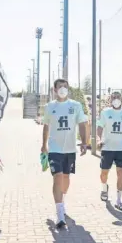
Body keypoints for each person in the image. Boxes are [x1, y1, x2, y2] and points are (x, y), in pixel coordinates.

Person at [41, 79, 88, 229]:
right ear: (54, 90)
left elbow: (82, 123)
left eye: (65, 86)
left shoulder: (75, 105)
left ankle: (62, 200)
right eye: (60, 86)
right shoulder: (49, 107)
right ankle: (59, 213)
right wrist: (44, 145)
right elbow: (46, 126)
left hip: (70, 149)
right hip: (55, 149)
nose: (63, 89)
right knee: (58, 177)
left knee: (66, 178)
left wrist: (84, 142)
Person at [97, 91, 122, 211]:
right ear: (110, 100)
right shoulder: (105, 112)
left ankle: (118, 200)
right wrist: (99, 139)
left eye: (118, 97)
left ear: (121, 99)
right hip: (107, 148)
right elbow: (100, 127)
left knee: (121, 173)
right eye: (114, 97)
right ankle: (104, 189)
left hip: (121, 149)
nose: (116, 99)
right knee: (104, 173)